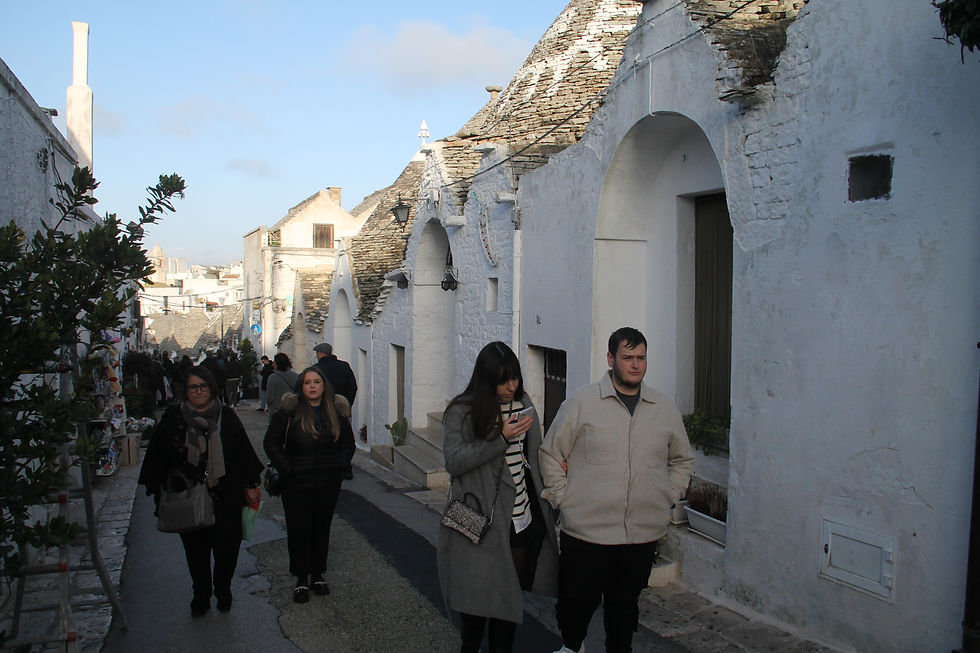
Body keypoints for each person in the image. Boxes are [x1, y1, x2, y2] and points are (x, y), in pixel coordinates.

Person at [539, 327, 695, 653]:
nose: (635, 365)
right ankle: (572, 646)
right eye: (628, 357)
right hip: (587, 533)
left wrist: (668, 495)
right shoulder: (582, 403)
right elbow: (550, 453)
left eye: (641, 358)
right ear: (611, 359)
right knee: (575, 603)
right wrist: (563, 498)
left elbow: (682, 459)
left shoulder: (664, 409)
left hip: (640, 534)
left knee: (624, 608)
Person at [437, 341, 559, 653]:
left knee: (507, 601)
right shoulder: (462, 411)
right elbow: (454, 461)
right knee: (475, 607)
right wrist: (500, 438)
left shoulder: (523, 403)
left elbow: (535, 451)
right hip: (478, 519)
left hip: (519, 518)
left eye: (515, 378)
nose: (511, 386)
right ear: (486, 379)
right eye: (503, 381)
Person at [137, 366, 264, 617]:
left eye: (202, 386)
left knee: (227, 549)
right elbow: (158, 454)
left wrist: (250, 484)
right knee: (196, 551)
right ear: (185, 391)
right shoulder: (174, 417)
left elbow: (242, 452)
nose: (198, 391)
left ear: (211, 388)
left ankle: (223, 589)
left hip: (225, 495)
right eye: (193, 387)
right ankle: (201, 595)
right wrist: (158, 487)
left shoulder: (226, 416)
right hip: (188, 495)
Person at [263, 366, 355, 603]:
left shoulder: (336, 412)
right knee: (298, 530)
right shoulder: (289, 413)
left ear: (324, 386)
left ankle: (318, 574)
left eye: (316, 382)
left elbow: (348, 444)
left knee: (321, 529)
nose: (312, 386)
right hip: (296, 484)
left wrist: (339, 466)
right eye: (307, 382)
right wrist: (288, 468)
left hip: (327, 483)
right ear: (301, 387)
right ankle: (301, 578)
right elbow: (271, 443)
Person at [265, 353, 299, 421]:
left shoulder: (272, 378)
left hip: (277, 412)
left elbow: (269, 398)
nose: (273, 365)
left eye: (274, 363)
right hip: (293, 412)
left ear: (277, 364)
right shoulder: (297, 377)